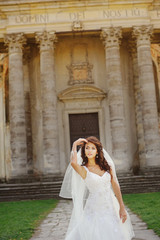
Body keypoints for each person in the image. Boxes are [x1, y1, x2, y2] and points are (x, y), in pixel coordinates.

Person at [59, 136, 135, 240]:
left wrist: (121, 206)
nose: (89, 151)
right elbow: (73, 163)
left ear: (97, 151)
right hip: (94, 208)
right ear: (84, 151)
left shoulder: (108, 166)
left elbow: (115, 185)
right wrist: (75, 145)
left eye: (93, 148)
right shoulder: (84, 169)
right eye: (87, 148)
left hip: (111, 205)